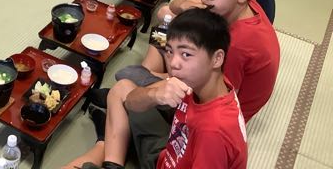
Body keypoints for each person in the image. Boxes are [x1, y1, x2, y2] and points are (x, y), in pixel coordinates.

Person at [63, 9, 248, 169]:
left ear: (217, 58)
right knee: (122, 88)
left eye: (186, 54)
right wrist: (155, 94)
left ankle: (107, 141)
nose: (173, 63)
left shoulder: (213, 132)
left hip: (172, 157)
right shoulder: (204, 83)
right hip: (167, 154)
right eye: (170, 51)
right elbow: (130, 102)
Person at [117, 0, 279, 122]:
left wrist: (161, 81)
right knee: (164, 27)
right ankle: (139, 89)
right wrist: (186, 5)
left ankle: (138, 95)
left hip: (214, 112)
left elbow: (216, 96)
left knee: (127, 75)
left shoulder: (237, 44)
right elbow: (174, 7)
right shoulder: (243, 5)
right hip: (212, 75)